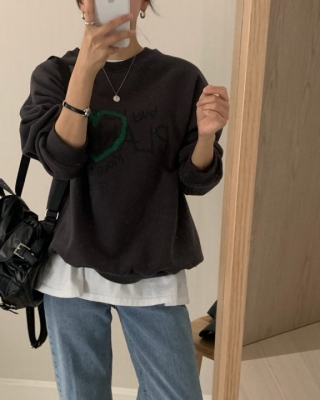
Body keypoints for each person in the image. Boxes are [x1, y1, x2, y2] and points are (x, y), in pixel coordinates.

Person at [19, 0, 230, 398]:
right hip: (72, 267)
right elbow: (61, 162)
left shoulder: (181, 79)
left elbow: (195, 181)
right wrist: (85, 70)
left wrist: (206, 137)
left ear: (143, 4)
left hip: (153, 262)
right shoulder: (55, 75)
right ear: (82, 4)